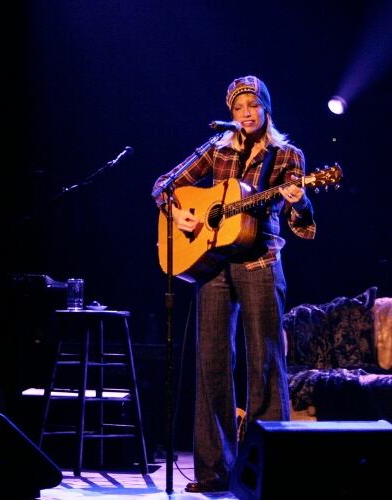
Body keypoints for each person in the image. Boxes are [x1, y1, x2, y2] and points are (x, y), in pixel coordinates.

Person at [152, 75, 315, 492]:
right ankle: (212, 470)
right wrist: (178, 216)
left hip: (261, 262)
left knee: (264, 364)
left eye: (253, 106)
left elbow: (303, 226)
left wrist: (302, 200)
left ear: (266, 108)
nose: (246, 114)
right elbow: (164, 187)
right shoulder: (217, 149)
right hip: (213, 267)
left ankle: (268, 468)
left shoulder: (286, 155)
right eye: (239, 108)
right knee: (212, 363)